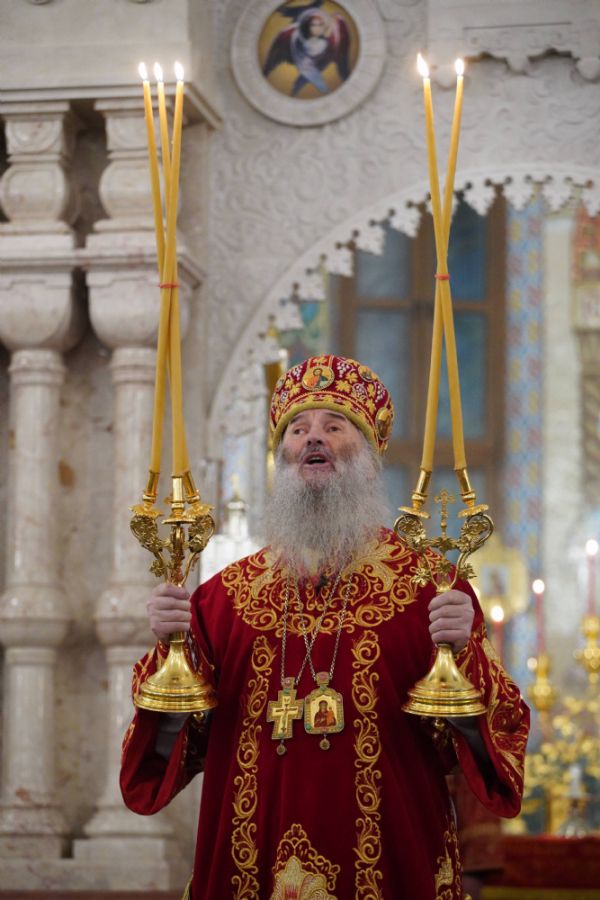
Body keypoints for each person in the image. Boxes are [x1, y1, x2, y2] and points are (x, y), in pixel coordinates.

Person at [120, 354, 530, 900]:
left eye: (335, 426)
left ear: (369, 458)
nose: (313, 437)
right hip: (251, 865)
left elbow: (494, 744)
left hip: (392, 865)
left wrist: (465, 656)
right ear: (282, 458)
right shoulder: (221, 600)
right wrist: (172, 654)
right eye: (298, 429)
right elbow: (167, 753)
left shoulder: (430, 590)